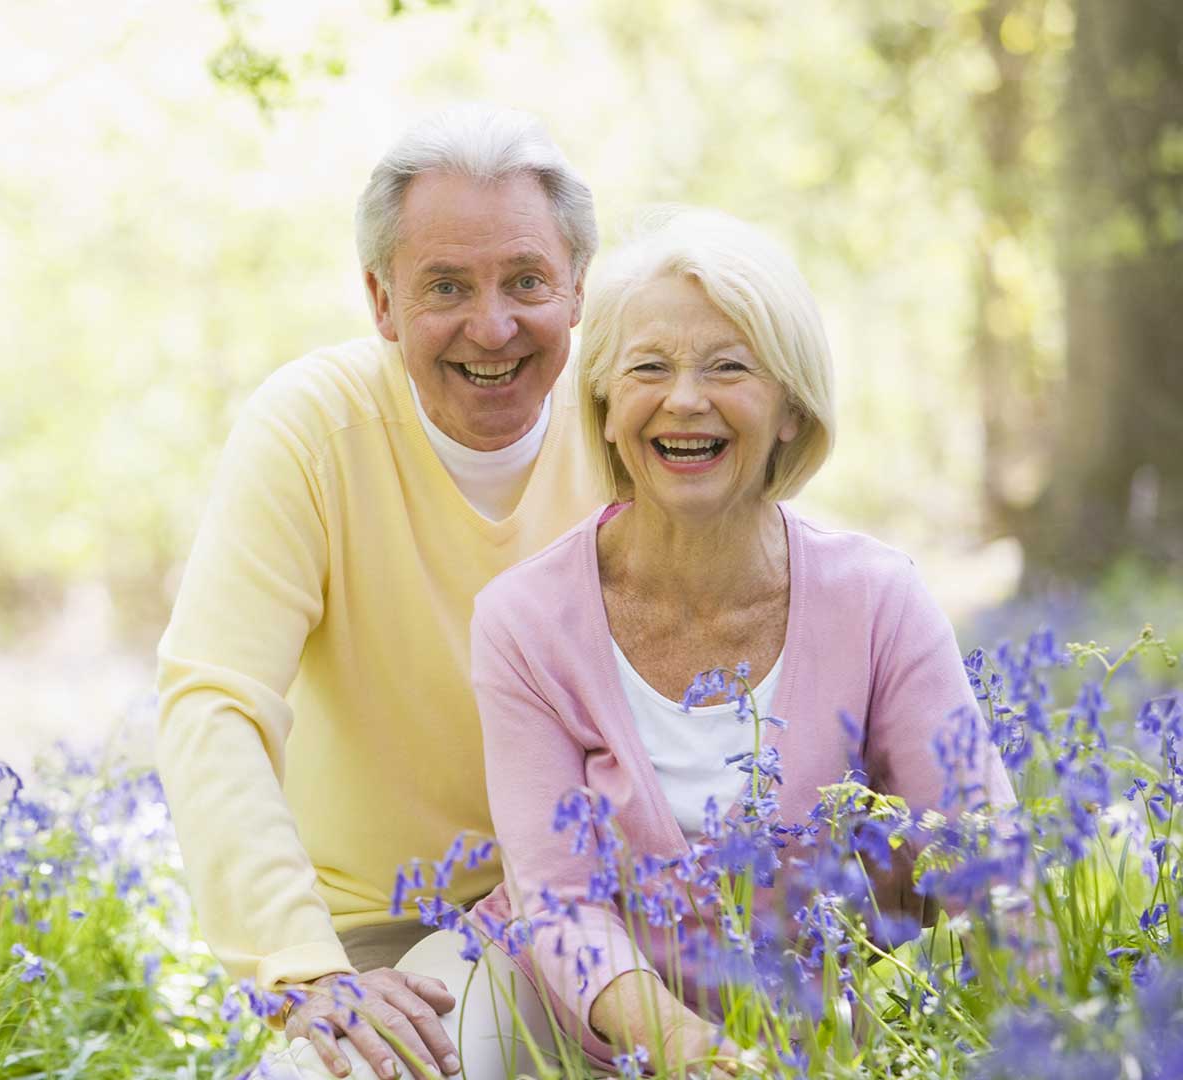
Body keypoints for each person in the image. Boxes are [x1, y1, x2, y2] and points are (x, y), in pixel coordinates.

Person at [466, 207, 1019, 1074]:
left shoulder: (878, 601)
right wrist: (689, 1050)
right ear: (607, 407)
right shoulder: (524, 621)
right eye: (649, 367)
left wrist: (1053, 1008)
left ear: (792, 409)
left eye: (729, 367)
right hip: (573, 1013)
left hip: (815, 1032)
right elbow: (561, 903)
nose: (685, 399)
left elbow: (980, 846)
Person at [155, 105, 606, 1080]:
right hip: (372, 937)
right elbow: (214, 704)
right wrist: (303, 965)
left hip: (598, 913)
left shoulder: (630, 422)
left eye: (525, 280)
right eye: (446, 285)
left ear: (577, 289)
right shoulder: (311, 431)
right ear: (381, 301)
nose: (492, 325)